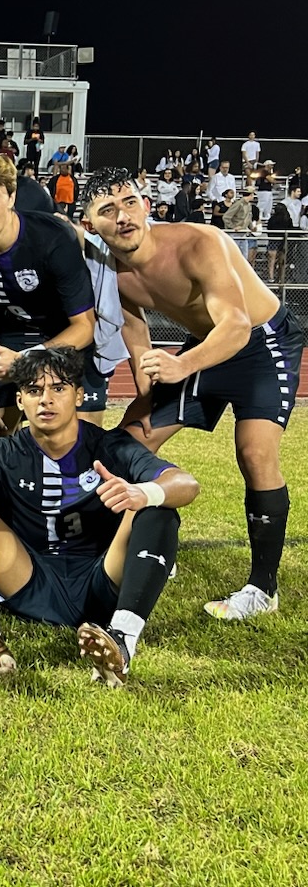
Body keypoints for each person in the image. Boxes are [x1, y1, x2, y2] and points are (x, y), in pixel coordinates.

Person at [0, 346, 198, 687]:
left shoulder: (110, 445)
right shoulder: (7, 452)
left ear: (79, 396)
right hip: (26, 579)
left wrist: (143, 492)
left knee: (158, 509)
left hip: (101, 582)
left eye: (58, 389)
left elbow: (185, 483)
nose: (45, 400)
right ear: (20, 401)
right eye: (34, 391)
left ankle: (122, 638)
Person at [81, 167, 304, 621]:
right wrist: (147, 383)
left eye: (129, 202)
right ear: (91, 225)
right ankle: (146, 541)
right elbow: (133, 324)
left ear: (146, 203)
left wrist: (181, 365)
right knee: (126, 443)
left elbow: (237, 325)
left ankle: (262, 588)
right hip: (204, 348)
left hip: (260, 343)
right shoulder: (106, 267)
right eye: (107, 210)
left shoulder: (199, 241)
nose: (123, 217)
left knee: (255, 453)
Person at [0, 154, 95, 445]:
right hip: (9, 332)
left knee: (73, 442)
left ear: (11, 197)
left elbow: (85, 326)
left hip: (64, 333)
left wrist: (27, 359)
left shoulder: (52, 237)